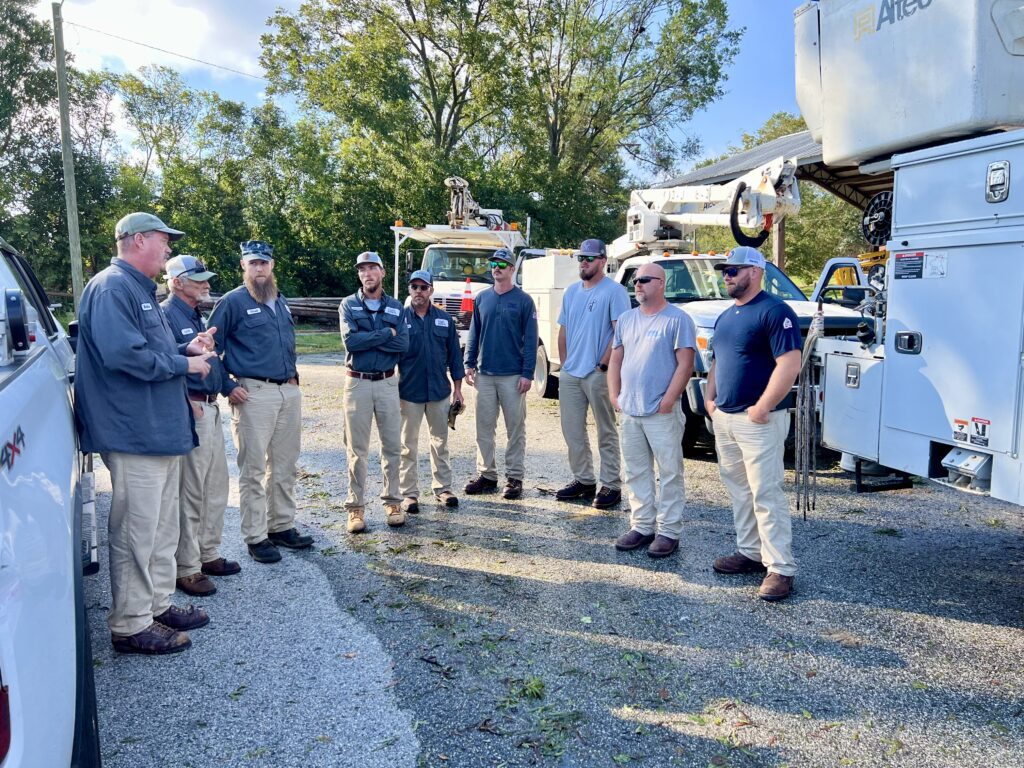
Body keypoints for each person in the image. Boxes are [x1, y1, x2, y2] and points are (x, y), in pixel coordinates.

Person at [75, 212, 216, 655]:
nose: (169, 249)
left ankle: (155, 604)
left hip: (155, 431)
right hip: (134, 432)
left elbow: (148, 349)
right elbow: (123, 356)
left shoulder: (135, 289)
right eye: (163, 240)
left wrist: (182, 347)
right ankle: (131, 624)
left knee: (158, 527)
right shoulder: (111, 287)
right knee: (137, 529)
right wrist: (185, 364)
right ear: (138, 241)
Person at [705, 246, 803, 601]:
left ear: (756, 272)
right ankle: (749, 552)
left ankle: (780, 568)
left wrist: (763, 407)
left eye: (734, 270)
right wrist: (710, 398)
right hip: (726, 418)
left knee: (766, 493)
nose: (726, 275)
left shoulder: (776, 312)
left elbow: (790, 363)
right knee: (739, 491)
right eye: (725, 270)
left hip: (758, 419)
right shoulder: (727, 315)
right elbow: (718, 359)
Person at [208, 240, 312, 564]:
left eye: (264, 263)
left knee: (284, 465)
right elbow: (208, 347)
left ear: (272, 266)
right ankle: (255, 536)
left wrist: (293, 379)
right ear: (243, 266)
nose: (259, 269)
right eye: (253, 263)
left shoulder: (280, 301)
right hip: (254, 394)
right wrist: (226, 385)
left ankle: (280, 525)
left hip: (287, 392)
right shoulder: (232, 302)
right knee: (253, 469)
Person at [161, 255, 241, 597]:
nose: (207, 284)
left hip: (210, 408)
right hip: (192, 408)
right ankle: (187, 568)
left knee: (215, 487)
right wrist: (184, 399)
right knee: (191, 492)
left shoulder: (195, 313)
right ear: (177, 282)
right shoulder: (166, 315)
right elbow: (166, 362)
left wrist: (225, 386)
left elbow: (208, 358)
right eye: (199, 279)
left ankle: (207, 553)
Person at [608, 262, 696, 558]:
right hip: (630, 410)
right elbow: (616, 360)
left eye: (644, 279)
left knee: (670, 471)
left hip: (661, 411)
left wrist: (669, 400)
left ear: (661, 283)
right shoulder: (626, 319)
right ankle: (642, 525)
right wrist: (613, 394)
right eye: (635, 280)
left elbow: (686, 363)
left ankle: (669, 532)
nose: (638, 284)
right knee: (635, 471)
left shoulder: (677, 319)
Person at [554, 238, 631, 509]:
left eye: (589, 258)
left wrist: (603, 364)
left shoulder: (615, 291)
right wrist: (564, 364)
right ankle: (583, 481)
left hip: (598, 373)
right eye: (581, 258)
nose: (584, 262)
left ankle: (611, 484)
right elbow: (563, 329)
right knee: (572, 431)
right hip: (571, 374)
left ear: (602, 261)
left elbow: (620, 332)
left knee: (605, 430)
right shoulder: (571, 291)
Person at [338, 251, 410, 532]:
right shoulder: (348, 305)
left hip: (387, 382)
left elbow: (402, 344)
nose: (367, 274)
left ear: (382, 272)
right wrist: (386, 335)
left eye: (372, 269)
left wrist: (377, 338)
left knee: (392, 446)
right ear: (359, 275)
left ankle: (393, 502)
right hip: (357, 382)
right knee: (357, 449)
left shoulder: (395, 307)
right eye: (362, 270)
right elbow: (351, 343)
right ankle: (355, 509)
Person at [463, 248, 538, 500]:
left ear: (512, 269)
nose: (497, 267)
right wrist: (469, 362)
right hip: (484, 374)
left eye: (503, 264)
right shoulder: (482, 298)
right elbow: (474, 333)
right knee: (484, 427)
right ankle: (487, 475)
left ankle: (514, 478)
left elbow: (530, 341)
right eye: (494, 263)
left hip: (513, 376)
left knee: (515, 429)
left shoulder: (524, 301)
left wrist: (528, 373)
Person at [397, 270, 465, 512]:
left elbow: (455, 357)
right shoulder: (399, 319)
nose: (418, 291)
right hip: (409, 392)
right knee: (407, 445)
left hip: (438, 391)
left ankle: (443, 488)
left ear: (431, 291)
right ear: (409, 290)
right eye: (414, 287)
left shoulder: (445, 320)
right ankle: (409, 494)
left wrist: (458, 389)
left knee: (440, 442)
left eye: (423, 287)